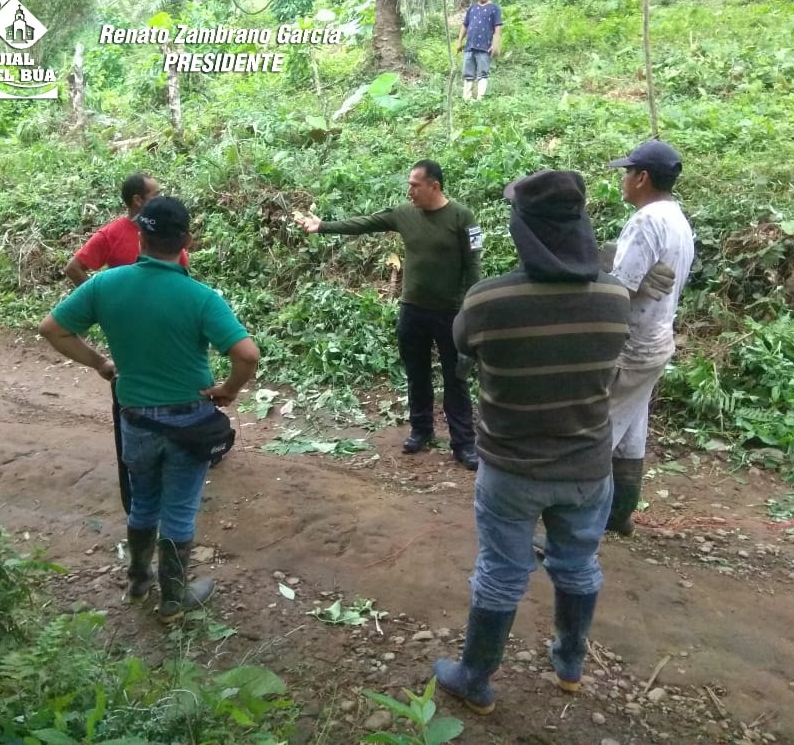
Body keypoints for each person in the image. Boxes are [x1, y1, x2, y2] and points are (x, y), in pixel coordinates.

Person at [433, 170, 630, 714]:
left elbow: (464, 347)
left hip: (512, 469)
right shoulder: (615, 296)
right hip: (588, 467)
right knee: (578, 563)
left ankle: (475, 678)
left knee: (501, 570)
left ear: (522, 230)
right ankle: (569, 664)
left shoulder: (487, 299)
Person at [40, 196, 259, 623]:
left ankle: (138, 581)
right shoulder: (200, 297)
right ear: (186, 242)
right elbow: (247, 354)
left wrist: (100, 363)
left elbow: (52, 329)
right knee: (179, 510)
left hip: (136, 418)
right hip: (189, 421)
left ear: (139, 236)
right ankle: (173, 600)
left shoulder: (105, 285)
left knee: (143, 502)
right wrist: (229, 390)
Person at [294, 160, 482, 470]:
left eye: (415, 185)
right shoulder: (403, 213)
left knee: (455, 378)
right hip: (413, 310)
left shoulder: (463, 217)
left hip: (451, 312)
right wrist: (323, 226)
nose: (409, 191)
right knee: (416, 373)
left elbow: (473, 265)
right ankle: (421, 430)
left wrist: (472, 307)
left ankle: (463, 443)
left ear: (434, 186)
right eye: (409, 184)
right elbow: (365, 223)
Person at [604, 140, 694, 536]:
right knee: (631, 429)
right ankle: (619, 514)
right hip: (656, 341)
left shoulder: (645, 221)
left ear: (642, 178)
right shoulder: (676, 218)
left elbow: (620, 290)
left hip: (630, 345)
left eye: (627, 172)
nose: (623, 180)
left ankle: (577, 529)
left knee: (597, 433)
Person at [64, 173, 188, 286]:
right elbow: (73, 268)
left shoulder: (167, 229)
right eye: (155, 195)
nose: (161, 199)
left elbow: (182, 271)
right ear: (137, 200)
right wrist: (100, 298)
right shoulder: (111, 234)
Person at [456, 0, 502, 101]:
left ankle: (481, 99)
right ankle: (467, 98)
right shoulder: (472, 8)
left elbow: (497, 28)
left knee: (483, 73)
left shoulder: (494, 8)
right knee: (468, 73)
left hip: (484, 47)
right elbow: (465, 25)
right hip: (470, 46)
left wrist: (495, 44)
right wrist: (459, 41)